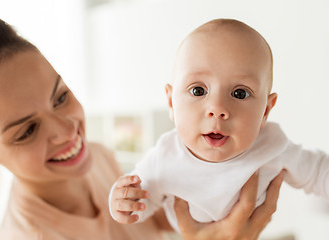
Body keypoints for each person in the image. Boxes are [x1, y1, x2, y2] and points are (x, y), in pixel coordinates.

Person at [0, 15, 283, 240]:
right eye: (27, 131)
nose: (67, 132)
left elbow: (152, 218)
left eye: (60, 97)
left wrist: (214, 196)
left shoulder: (97, 158)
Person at [109, 18, 329, 234]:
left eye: (239, 93)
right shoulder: (164, 156)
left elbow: (319, 172)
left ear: (265, 111)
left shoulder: (272, 144)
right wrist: (123, 202)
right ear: (171, 103)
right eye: (198, 90)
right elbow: (143, 200)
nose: (217, 108)